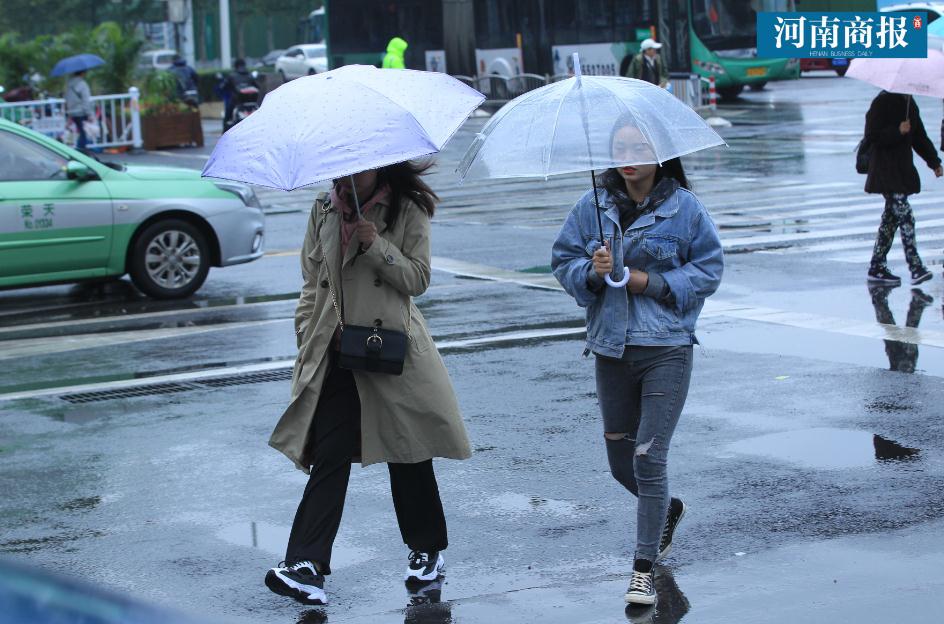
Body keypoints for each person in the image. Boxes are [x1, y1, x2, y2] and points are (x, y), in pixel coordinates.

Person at [265, 161, 472, 606]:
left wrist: (376, 245)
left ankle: (426, 549)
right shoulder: (324, 208)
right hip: (336, 351)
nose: (346, 179)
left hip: (387, 346)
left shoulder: (406, 209)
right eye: (340, 171)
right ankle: (305, 564)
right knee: (329, 455)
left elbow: (418, 279)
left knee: (407, 449)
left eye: (357, 171)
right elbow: (310, 281)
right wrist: (306, 331)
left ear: (380, 168)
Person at [551, 112, 723, 607]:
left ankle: (643, 568)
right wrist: (591, 269)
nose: (628, 160)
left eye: (637, 150)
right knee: (620, 463)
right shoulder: (592, 207)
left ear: (659, 155)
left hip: (666, 348)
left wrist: (653, 282)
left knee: (649, 458)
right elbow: (563, 260)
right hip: (610, 349)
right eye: (619, 150)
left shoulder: (685, 209)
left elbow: (709, 269)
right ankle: (665, 509)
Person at [864, 91, 941, 286]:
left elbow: (919, 137)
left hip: (901, 171)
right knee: (906, 216)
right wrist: (897, 130)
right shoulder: (882, 101)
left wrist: (934, 162)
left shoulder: (909, 103)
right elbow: (872, 136)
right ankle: (916, 268)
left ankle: (877, 267)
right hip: (884, 171)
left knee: (890, 221)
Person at [222, 58, 259, 130]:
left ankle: (224, 132)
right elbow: (257, 87)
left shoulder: (232, 76)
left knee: (228, 114)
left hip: (237, 102)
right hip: (252, 102)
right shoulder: (250, 75)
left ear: (235, 66)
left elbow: (223, 86)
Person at [65, 70, 92, 151]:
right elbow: (85, 100)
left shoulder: (69, 84)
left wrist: (69, 113)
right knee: (83, 133)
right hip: (81, 112)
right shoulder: (82, 84)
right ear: (82, 73)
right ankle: (80, 151)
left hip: (72, 112)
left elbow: (67, 99)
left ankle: (78, 149)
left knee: (78, 132)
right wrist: (89, 113)